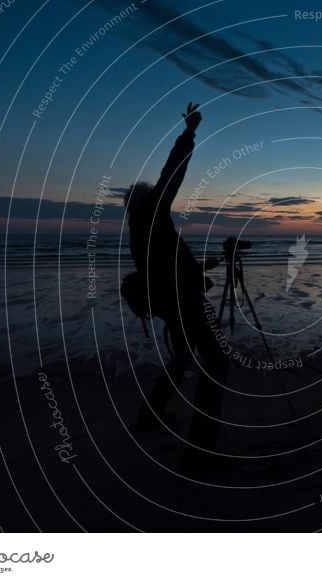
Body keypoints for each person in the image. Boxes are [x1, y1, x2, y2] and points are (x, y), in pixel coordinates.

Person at [125, 102, 228, 458]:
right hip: (185, 302)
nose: (158, 193)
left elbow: (165, 267)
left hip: (171, 300)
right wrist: (189, 132)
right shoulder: (151, 212)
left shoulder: (139, 230)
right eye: (152, 192)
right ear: (145, 199)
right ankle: (200, 449)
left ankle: (149, 416)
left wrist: (202, 269)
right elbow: (173, 173)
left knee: (184, 357)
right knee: (217, 361)